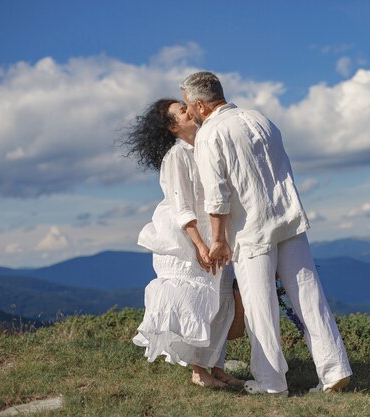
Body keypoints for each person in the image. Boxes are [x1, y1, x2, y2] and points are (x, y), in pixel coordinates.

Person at [180, 72, 352, 396]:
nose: (189, 113)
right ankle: (335, 370)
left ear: (201, 105)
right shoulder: (261, 119)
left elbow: (217, 196)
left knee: (260, 306)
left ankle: (271, 382)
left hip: (251, 228)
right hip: (287, 216)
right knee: (308, 295)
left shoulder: (210, 134)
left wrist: (218, 240)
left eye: (189, 107)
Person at [123, 98, 243, 389]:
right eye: (181, 111)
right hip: (186, 237)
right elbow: (181, 206)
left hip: (212, 233)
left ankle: (216, 365)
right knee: (195, 300)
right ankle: (198, 370)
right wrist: (200, 245)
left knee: (220, 296)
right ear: (172, 127)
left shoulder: (205, 147)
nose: (189, 111)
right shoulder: (176, 157)